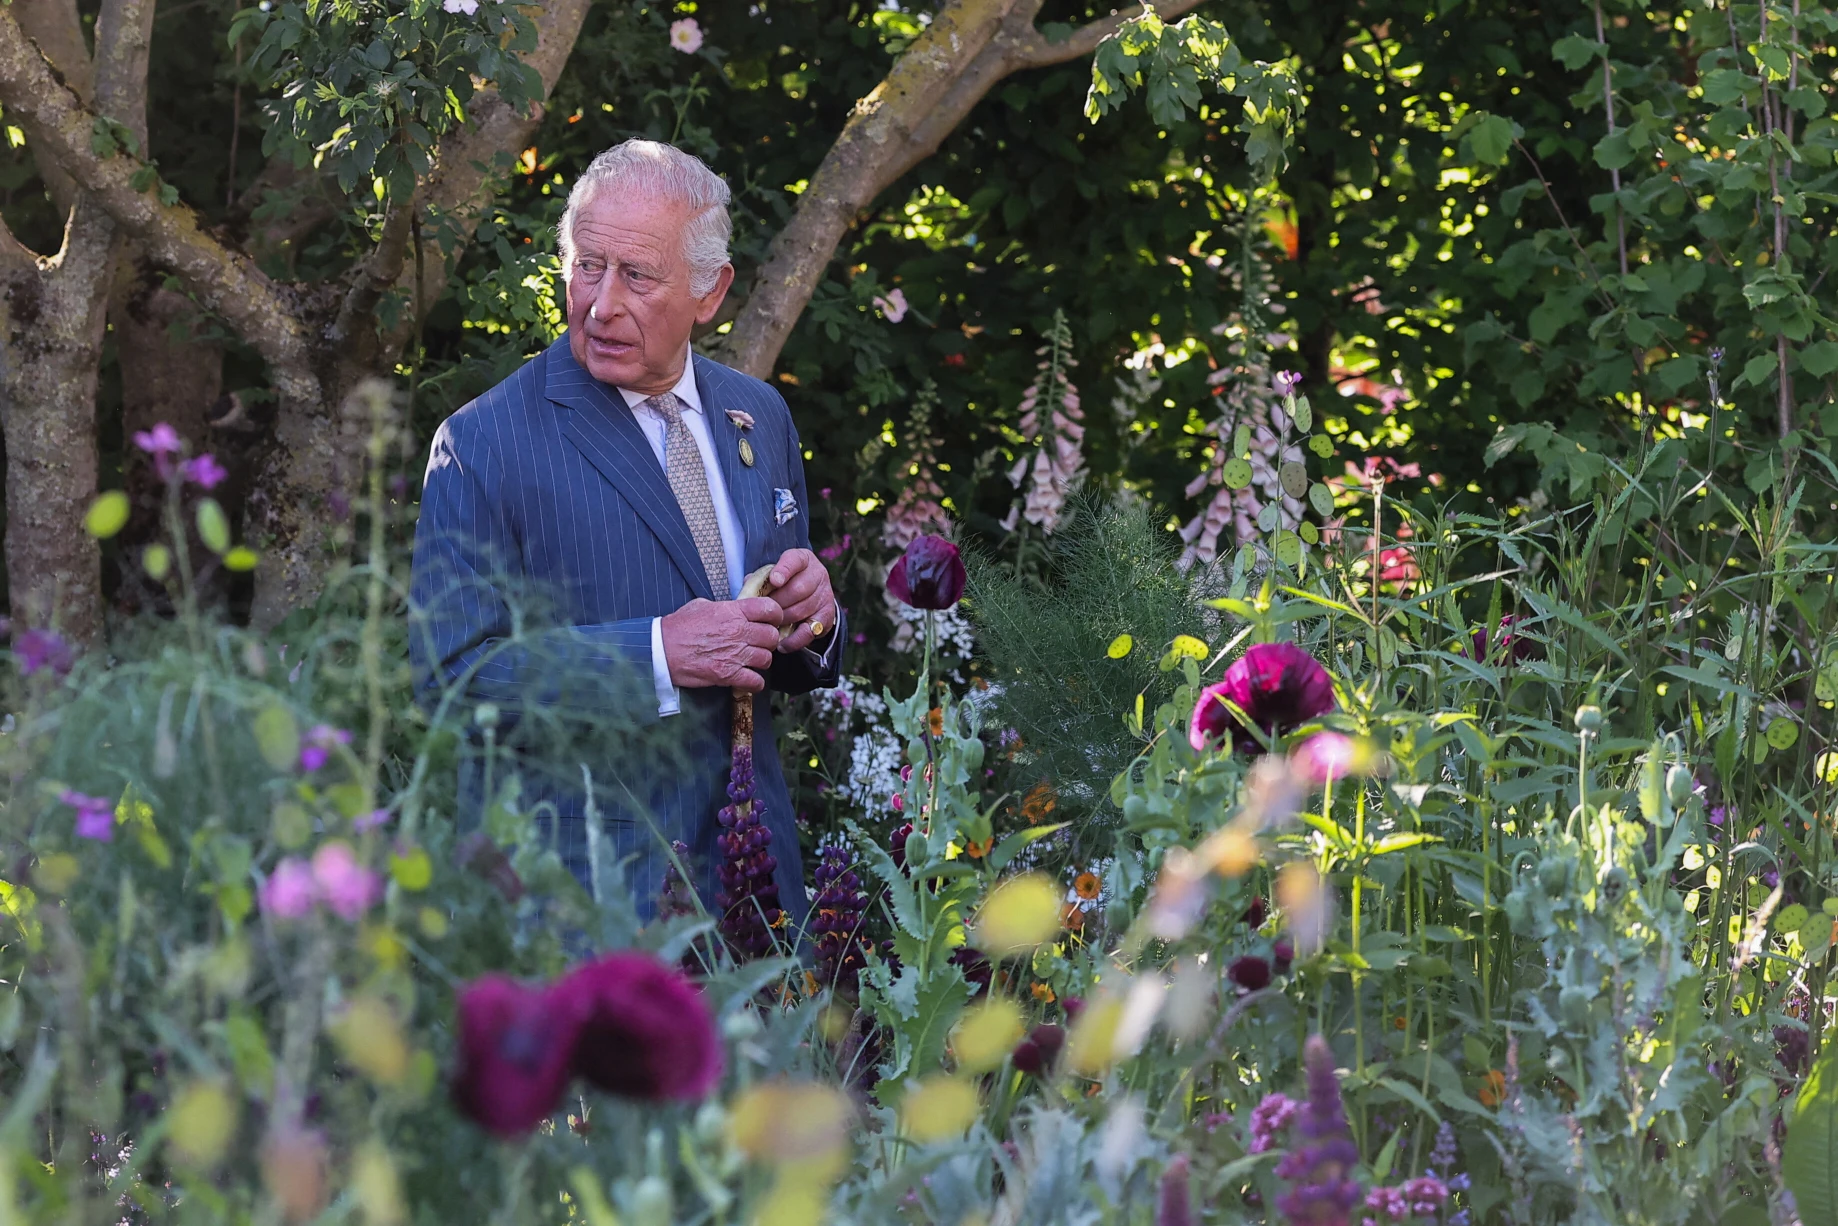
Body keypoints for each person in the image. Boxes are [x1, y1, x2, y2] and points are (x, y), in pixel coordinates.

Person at [410, 139, 843, 928]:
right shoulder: (484, 443)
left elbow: (773, 640)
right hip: (586, 903)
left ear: (709, 293)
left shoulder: (761, 416)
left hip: (756, 889)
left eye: (637, 276)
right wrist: (655, 656)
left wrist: (813, 620)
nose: (601, 304)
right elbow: (451, 682)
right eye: (586, 266)